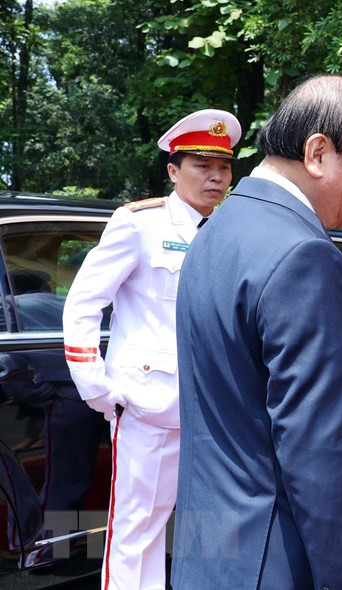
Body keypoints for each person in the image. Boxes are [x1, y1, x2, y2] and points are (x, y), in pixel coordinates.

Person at [170, 74, 342, 590]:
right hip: (280, 562)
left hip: (213, 558)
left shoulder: (217, 229)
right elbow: (321, 457)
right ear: (318, 153)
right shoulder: (305, 256)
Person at [62, 108, 240, 589]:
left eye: (224, 167)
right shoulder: (139, 224)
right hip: (150, 404)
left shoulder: (229, 230)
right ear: (173, 171)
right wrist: (98, 388)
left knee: (212, 533)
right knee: (137, 531)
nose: (216, 177)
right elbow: (83, 304)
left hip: (216, 410)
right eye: (203, 166)